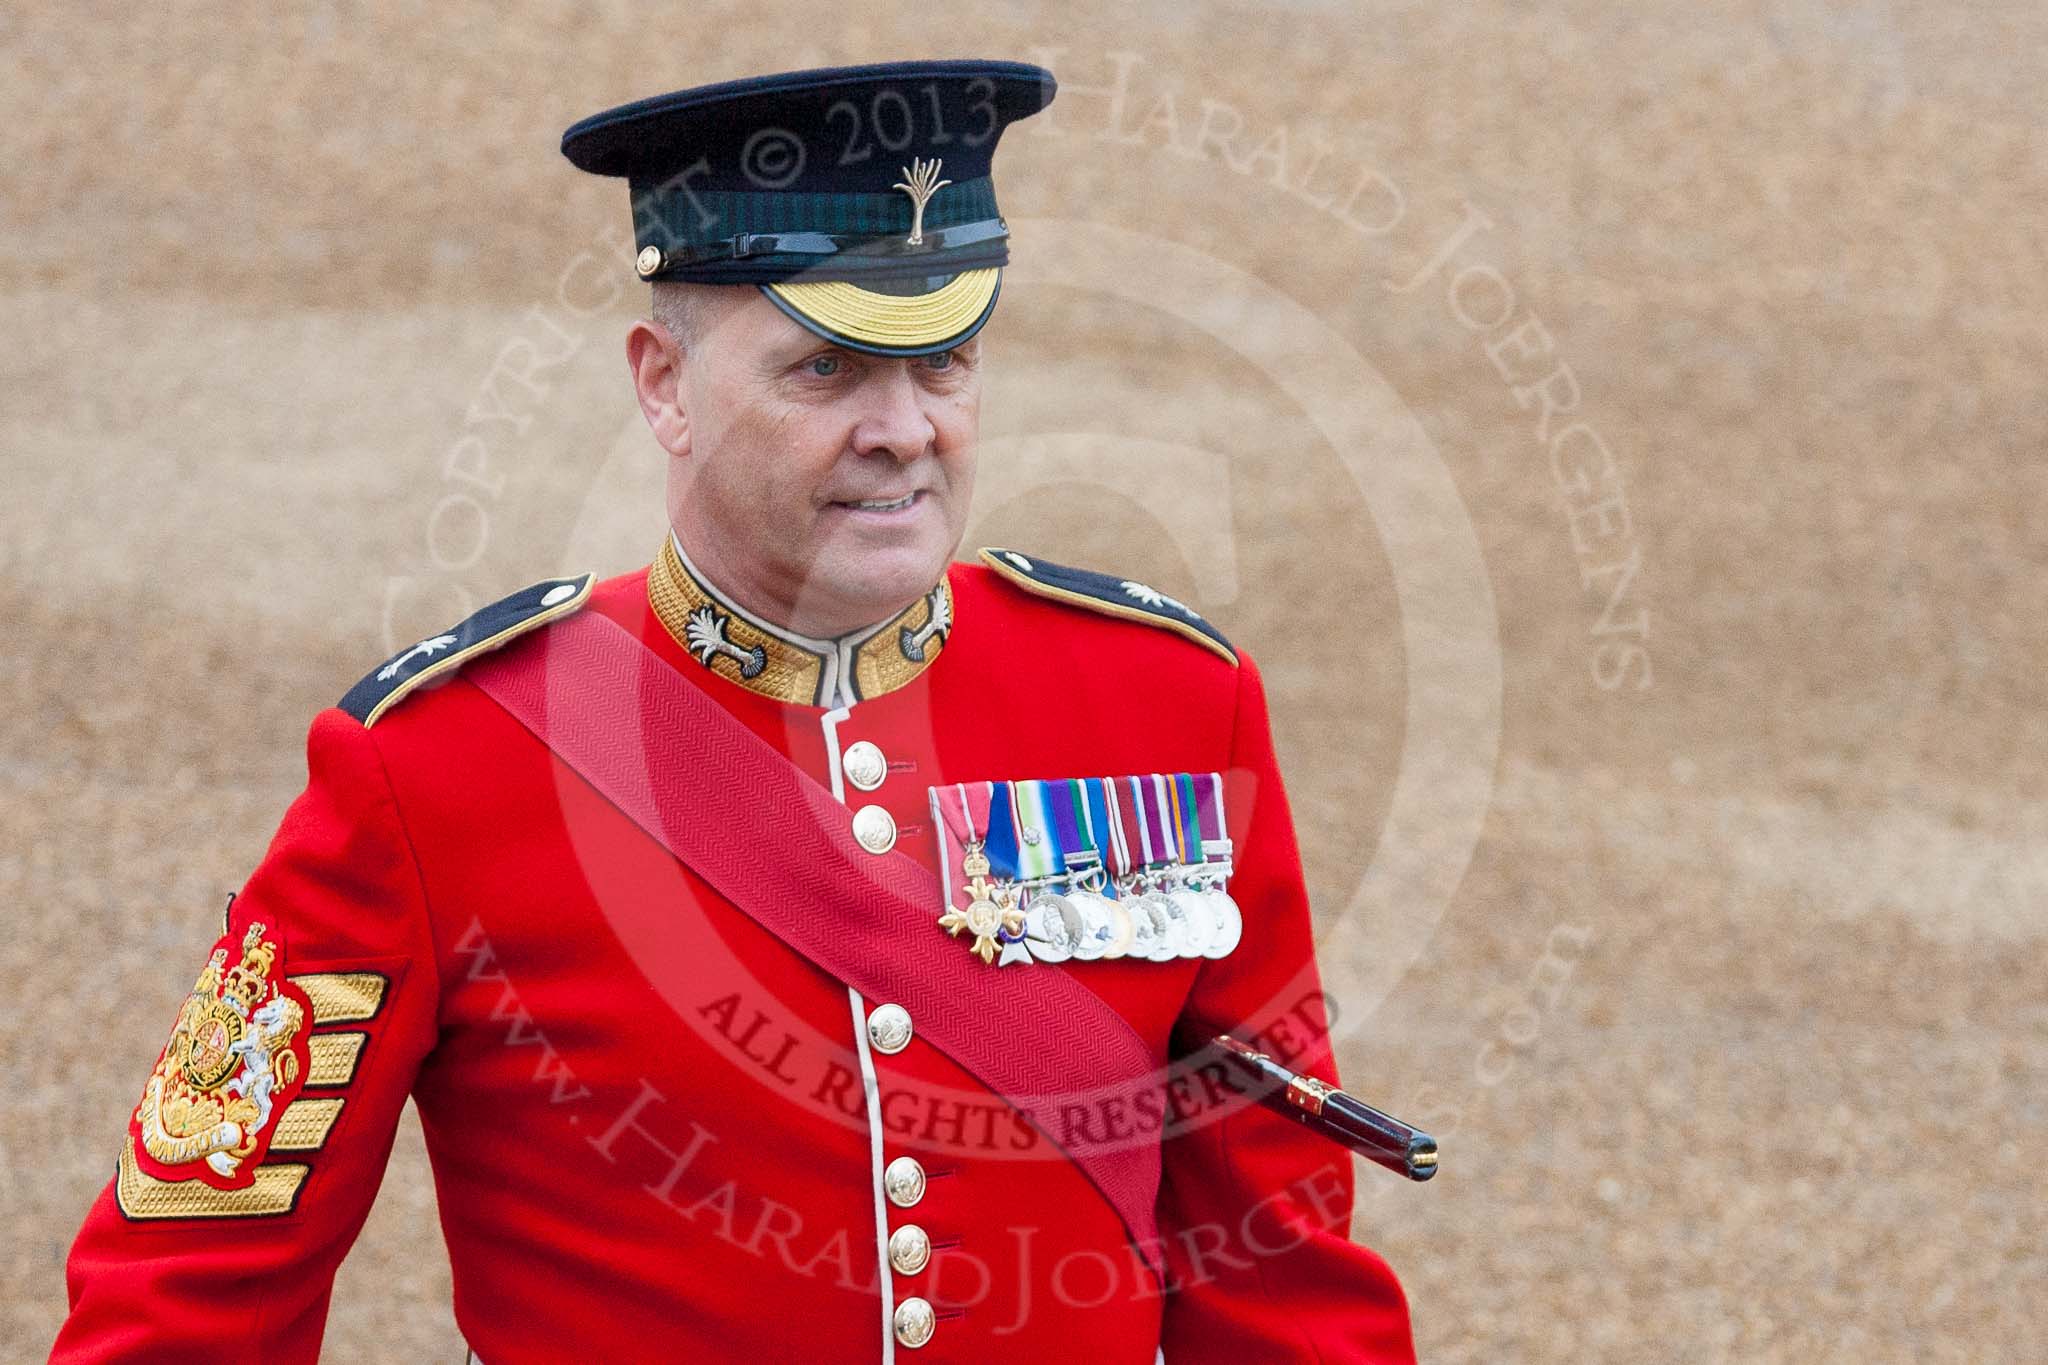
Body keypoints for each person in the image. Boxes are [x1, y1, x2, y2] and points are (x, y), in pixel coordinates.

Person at [52, 60, 1416, 1362]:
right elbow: (194, 1279)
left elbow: (1277, 1265)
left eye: (942, 363)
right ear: (662, 382)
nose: (903, 427)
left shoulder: (1166, 702)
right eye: (826, 368)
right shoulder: (437, 765)